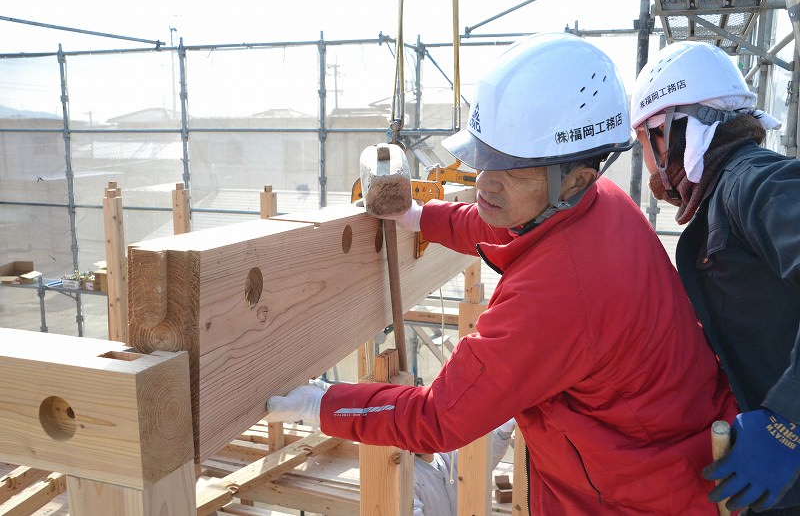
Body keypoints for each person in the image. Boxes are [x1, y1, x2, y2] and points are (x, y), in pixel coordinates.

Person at [266, 32, 738, 514]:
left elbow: (437, 417)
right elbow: (500, 224)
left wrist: (319, 405)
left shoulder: (557, 296)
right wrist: (418, 217)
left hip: (637, 497)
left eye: (511, 169)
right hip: (665, 452)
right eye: (483, 158)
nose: (485, 182)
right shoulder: (595, 204)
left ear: (576, 178)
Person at [630, 39, 800, 514]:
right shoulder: (727, 196)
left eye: (644, 141)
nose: (648, 164)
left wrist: (788, 419)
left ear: (671, 130)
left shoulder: (753, 182)